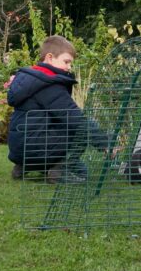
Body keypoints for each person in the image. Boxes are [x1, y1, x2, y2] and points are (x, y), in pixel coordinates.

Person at [6, 35, 106, 183]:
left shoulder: (29, 78)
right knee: (80, 130)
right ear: (50, 57)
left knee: (82, 170)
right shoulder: (48, 84)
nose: (69, 67)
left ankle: (23, 166)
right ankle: (59, 171)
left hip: (19, 149)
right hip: (36, 149)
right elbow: (76, 119)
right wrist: (105, 142)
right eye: (66, 62)